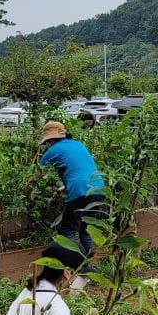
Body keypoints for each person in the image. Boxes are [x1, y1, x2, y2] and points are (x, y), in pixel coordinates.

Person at [38, 121, 106, 291]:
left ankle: (84, 269)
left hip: (79, 191)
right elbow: (79, 169)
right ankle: (88, 270)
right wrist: (64, 186)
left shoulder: (51, 152)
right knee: (85, 229)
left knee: (67, 232)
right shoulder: (78, 144)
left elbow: (38, 173)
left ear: (49, 140)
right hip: (98, 188)